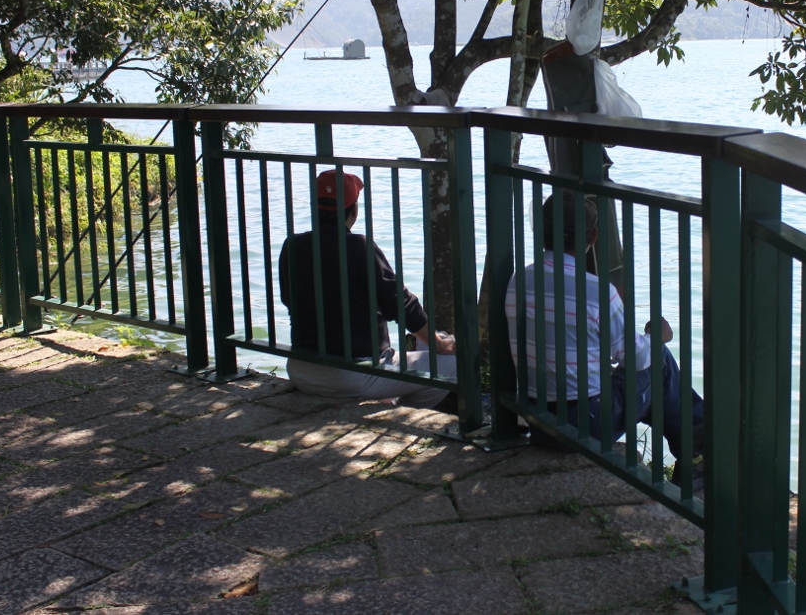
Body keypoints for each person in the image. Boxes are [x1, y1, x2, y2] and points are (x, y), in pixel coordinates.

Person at [504, 189, 705, 490]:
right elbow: (635, 358)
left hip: (537, 418)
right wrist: (656, 337)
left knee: (648, 381)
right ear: (594, 236)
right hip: (586, 425)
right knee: (659, 362)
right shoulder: (595, 291)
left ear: (541, 230)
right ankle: (696, 457)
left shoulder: (519, 280)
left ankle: (695, 454)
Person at [278, 170, 454, 407]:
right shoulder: (360, 247)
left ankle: (387, 397)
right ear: (354, 209)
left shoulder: (292, 246)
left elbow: (289, 300)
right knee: (454, 364)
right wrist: (441, 346)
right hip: (352, 374)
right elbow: (401, 305)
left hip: (301, 369)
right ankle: (400, 415)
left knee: (424, 344)